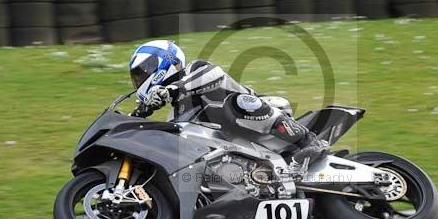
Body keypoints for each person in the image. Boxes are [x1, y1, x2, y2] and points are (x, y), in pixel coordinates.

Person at [128, 39, 329, 178]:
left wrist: (171, 90)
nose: (140, 80)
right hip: (239, 148)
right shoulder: (177, 111)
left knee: (238, 103)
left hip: (262, 114)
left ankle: (309, 141)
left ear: (162, 63)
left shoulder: (197, 69)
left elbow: (212, 74)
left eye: (142, 74)